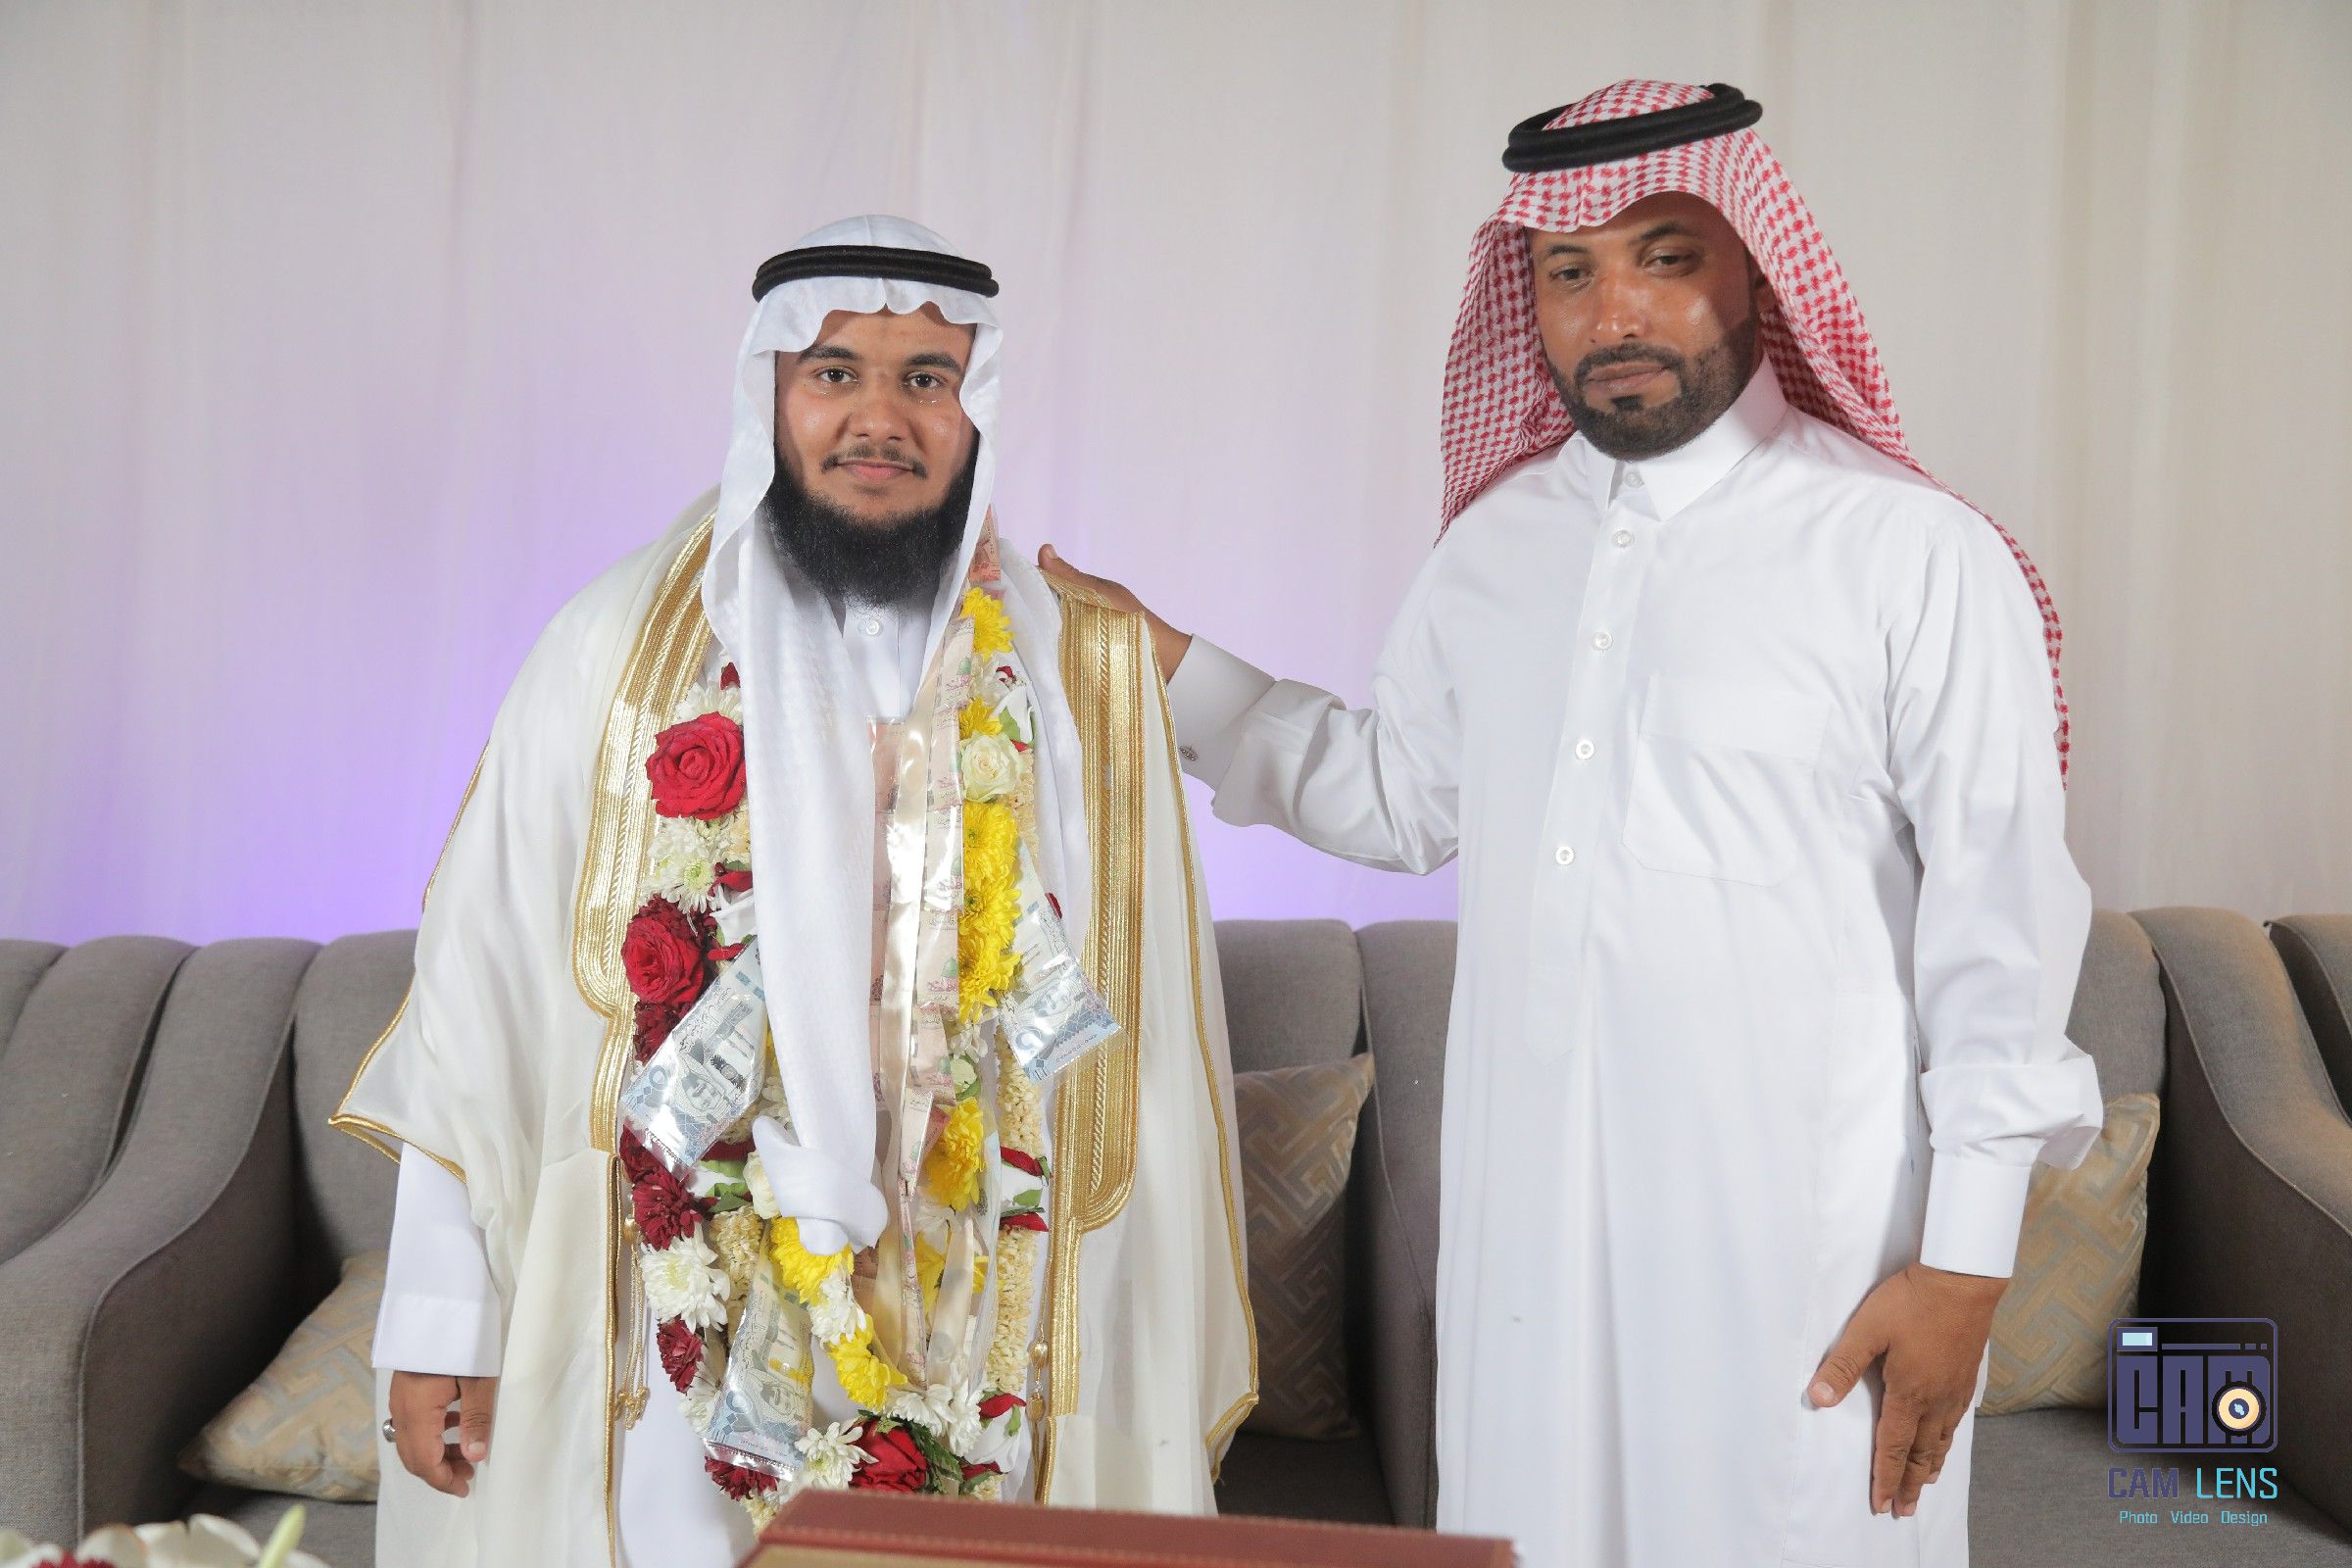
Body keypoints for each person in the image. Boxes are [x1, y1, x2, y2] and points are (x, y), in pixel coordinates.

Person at [1043, 81, 2102, 1567]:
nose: (1617, 312)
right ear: (1524, 296)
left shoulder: (1911, 553)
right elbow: (1395, 796)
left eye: (1666, 256)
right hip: (1529, 1262)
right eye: (1570, 270)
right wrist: (1163, 666)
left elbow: (2004, 921)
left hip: (1799, 1268)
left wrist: (1968, 1268)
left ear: (1756, 268)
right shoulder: (1497, 549)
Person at [334, 216, 1254, 1568]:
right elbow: (481, 997)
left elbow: (1146, 1050)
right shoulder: (610, 654)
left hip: (984, 1296)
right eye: (834, 373)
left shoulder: (1072, 676)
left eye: (925, 379)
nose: (879, 417)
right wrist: (438, 1317)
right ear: (768, 394)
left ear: (975, 408)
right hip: (679, 1303)